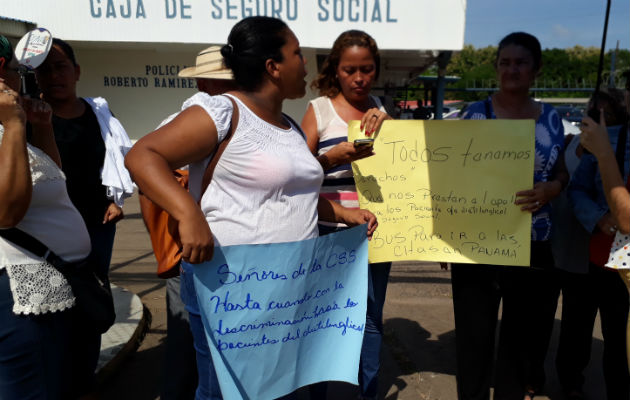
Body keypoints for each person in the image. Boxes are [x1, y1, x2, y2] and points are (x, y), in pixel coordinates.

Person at [125, 17, 377, 400]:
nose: (305, 64)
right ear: (273, 66)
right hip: (232, 287)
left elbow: (294, 196)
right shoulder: (222, 114)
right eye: (297, 54)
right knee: (225, 390)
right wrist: (188, 213)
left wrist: (345, 215)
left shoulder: (290, 126)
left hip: (291, 289)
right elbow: (143, 156)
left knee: (284, 385)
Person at [452, 32, 568, 400]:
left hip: (533, 245)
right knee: (473, 341)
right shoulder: (472, 115)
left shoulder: (551, 118)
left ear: (536, 70)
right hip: (477, 245)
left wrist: (553, 188)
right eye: (505, 62)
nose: (511, 70)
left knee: (520, 344)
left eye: (520, 63)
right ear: (496, 68)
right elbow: (449, 180)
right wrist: (446, 237)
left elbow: (562, 173)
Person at [33, 37, 134, 395]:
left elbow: (115, 160)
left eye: (60, 67)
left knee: (90, 301)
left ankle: (83, 378)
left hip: (95, 225)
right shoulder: (29, 117)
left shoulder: (98, 114)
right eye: (44, 68)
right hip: (45, 231)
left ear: (76, 71)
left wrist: (115, 199)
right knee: (49, 307)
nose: (53, 75)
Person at [139, 45, 237, 400]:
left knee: (204, 346)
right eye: (224, 80)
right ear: (202, 82)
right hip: (192, 251)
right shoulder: (187, 121)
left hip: (216, 252)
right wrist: (186, 214)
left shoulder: (234, 118)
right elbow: (144, 171)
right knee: (188, 345)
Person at [0, 35, 92, 399]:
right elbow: (6, 213)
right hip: (22, 290)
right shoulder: (6, 124)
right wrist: (14, 125)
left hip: (57, 281)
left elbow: (54, 176)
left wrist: (40, 126)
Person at [301, 29, 391, 400]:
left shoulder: (383, 111)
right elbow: (297, 173)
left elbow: (405, 170)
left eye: (367, 69)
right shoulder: (318, 110)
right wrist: (329, 158)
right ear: (335, 70)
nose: (359, 78)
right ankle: (318, 393)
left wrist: (390, 130)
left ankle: (366, 392)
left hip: (375, 231)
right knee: (323, 317)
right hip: (326, 229)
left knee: (370, 319)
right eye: (350, 69)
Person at [565, 88, 630, 400]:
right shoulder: (593, 146)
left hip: (622, 264)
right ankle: (572, 383)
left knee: (618, 336)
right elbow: (577, 189)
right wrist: (599, 218)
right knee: (578, 324)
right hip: (596, 254)